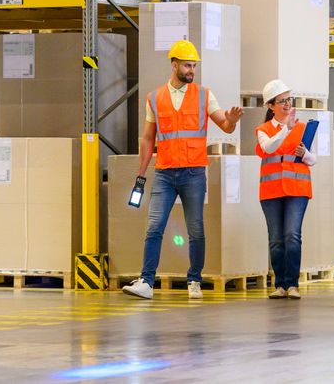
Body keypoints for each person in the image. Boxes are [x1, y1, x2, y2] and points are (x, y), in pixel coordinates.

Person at [123, 40, 243, 300]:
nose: (192, 70)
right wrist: (141, 173)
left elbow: (224, 124)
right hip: (165, 172)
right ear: (174, 64)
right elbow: (147, 138)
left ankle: (194, 280)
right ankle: (146, 281)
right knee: (154, 227)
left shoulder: (204, 94)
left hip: (193, 173)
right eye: (188, 65)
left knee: (196, 229)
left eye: (194, 66)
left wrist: (231, 122)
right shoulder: (154, 98)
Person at [255, 79, 316, 300]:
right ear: (271, 106)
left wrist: (305, 154)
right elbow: (268, 147)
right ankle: (280, 284)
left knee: (292, 235)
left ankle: (292, 284)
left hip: (297, 190)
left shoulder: (302, 128)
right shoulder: (263, 130)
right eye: (282, 101)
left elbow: (313, 159)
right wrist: (285, 130)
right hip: (271, 192)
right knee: (276, 239)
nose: (287, 104)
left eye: (289, 100)